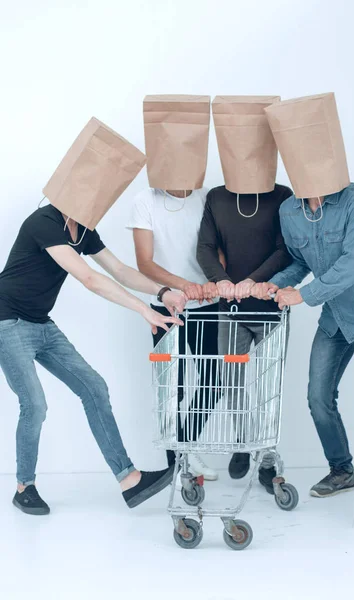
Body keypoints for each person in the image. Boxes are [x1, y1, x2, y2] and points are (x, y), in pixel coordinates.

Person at [0, 118, 185, 515]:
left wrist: (162, 292)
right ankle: (23, 487)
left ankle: (130, 481)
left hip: (41, 325)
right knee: (34, 402)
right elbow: (87, 278)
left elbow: (117, 270)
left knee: (94, 388)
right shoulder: (43, 222)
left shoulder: (83, 229)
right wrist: (143, 311)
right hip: (8, 323)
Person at [253, 93, 354, 527]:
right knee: (318, 398)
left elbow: (353, 264)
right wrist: (276, 284)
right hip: (336, 315)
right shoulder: (289, 210)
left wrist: (302, 296)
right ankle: (342, 471)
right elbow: (302, 262)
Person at [197, 95, 293, 493]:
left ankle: (268, 457)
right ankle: (243, 440)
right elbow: (204, 247)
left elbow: (285, 249)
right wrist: (221, 281)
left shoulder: (282, 195)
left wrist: (252, 280)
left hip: (271, 306)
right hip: (230, 309)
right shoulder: (217, 197)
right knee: (233, 380)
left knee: (270, 387)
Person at [132, 95, 220, 480]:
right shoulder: (144, 200)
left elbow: (220, 250)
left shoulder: (207, 198)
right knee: (172, 386)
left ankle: (185, 447)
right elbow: (144, 262)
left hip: (207, 305)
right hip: (166, 306)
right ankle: (176, 467)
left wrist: (215, 284)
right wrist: (184, 286)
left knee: (214, 381)